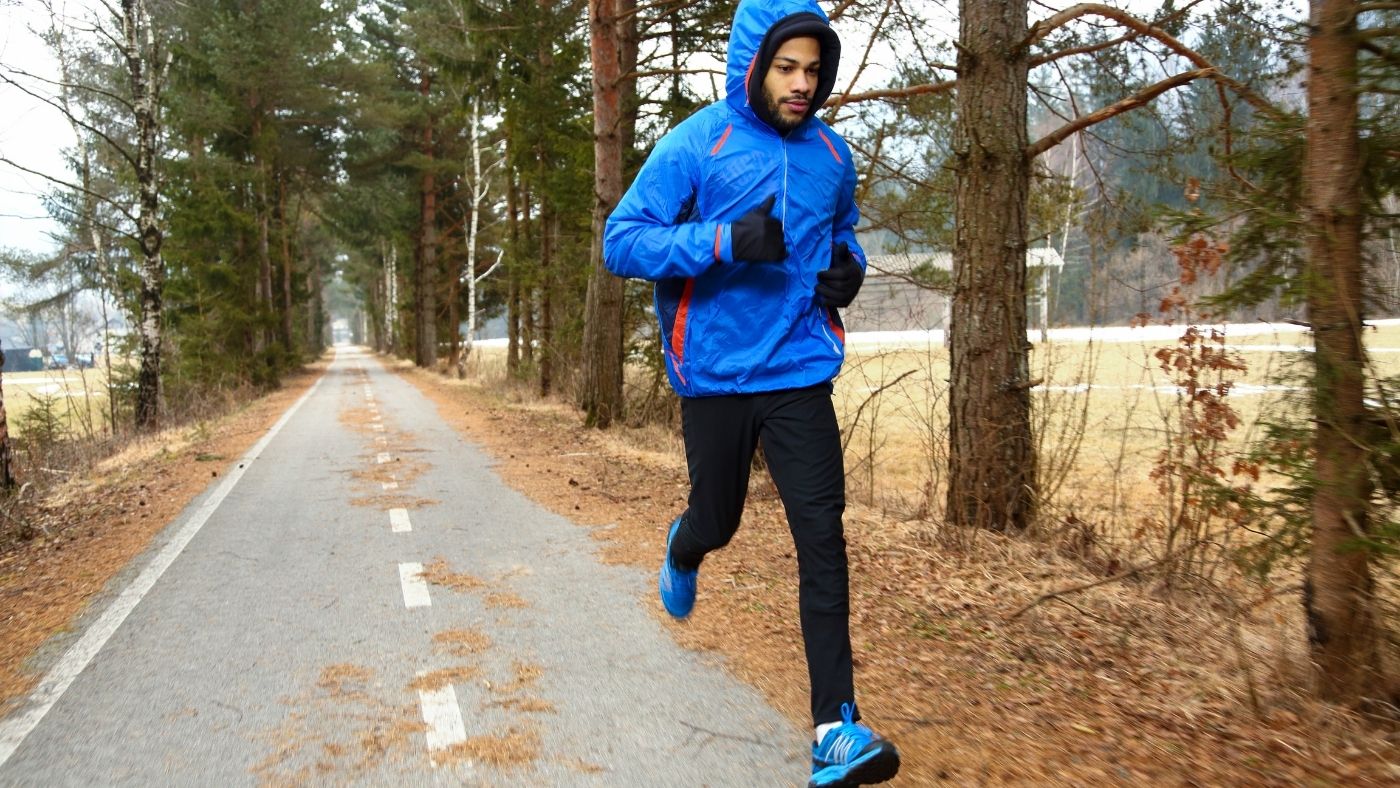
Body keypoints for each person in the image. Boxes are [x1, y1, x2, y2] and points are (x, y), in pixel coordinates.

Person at [603, 1, 900, 785]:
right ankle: (685, 544)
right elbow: (622, 242)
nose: (802, 84)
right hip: (717, 374)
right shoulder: (698, 142)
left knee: (822, 537)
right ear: (754, 66)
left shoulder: (831, 154)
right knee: (720, 518)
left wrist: (850, 270)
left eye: (813, 70)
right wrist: (723, 241)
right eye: (786, 68)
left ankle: (835, 727)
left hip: (799, 369)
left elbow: (842, 233)